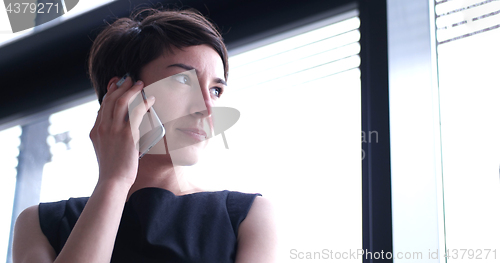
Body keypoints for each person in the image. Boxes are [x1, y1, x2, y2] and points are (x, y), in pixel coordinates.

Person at [12, 7, 277, 263]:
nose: (207, 108)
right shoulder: (41, 224)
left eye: (216, 91)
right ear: (122, 93)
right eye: (184, 81)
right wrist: (114, 181)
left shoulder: (247, 217)